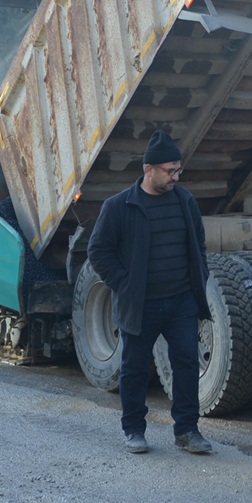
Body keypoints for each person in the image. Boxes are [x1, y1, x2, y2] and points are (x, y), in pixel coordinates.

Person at [84, 130, 213, 455]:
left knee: (186, 363)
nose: (176, 176)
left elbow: (198, 244)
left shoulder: (185, 201)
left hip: (181, 301)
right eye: (170, 171)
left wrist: (200, 277)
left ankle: (186, 430)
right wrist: (124, 283)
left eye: (178, 170)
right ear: (149, 169)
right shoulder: (120, 207)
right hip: (140, 303)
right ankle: (134, 431)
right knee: (135, 367)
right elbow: (98, 250)